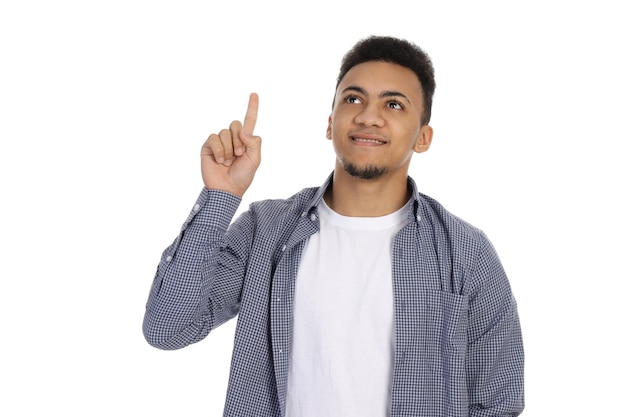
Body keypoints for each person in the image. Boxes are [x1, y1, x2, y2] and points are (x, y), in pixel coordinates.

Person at [143, 35, 524, 417]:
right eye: (353, 99)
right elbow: (167, 329)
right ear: (330, 124)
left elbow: (498, 402)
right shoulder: (265, 230)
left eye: (393, 104)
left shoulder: (467, 253)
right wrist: (221, 196)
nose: (368, 116)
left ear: (422, 137)